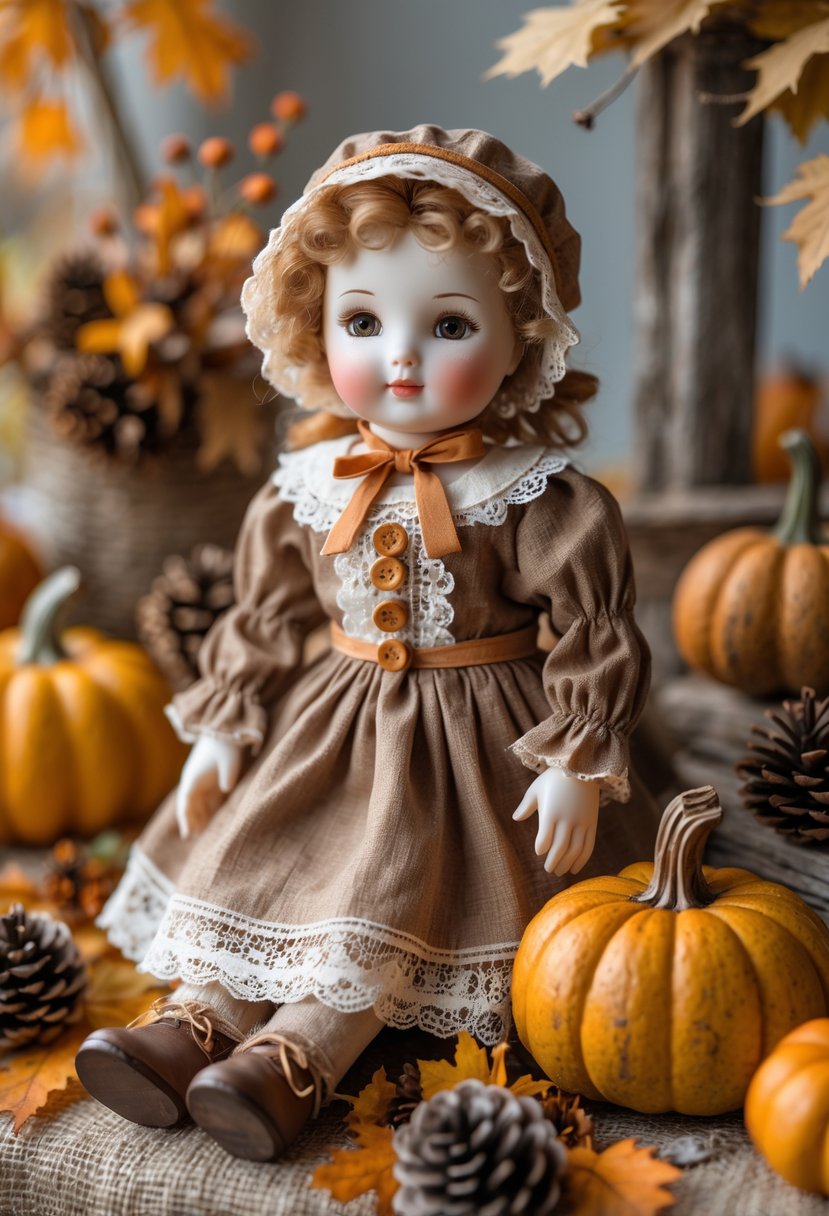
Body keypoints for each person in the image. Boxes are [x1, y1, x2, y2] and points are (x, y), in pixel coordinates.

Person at [76, 125, 659, 1161]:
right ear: (314, 328)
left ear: (519, 334)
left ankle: (296, 1058)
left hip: (478, 752)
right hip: (331, 726)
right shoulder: (310, 485)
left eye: (445, 324)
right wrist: (224, 729)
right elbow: (266, 621)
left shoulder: (530, 494)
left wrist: (576, 757)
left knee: (387, 903)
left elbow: (590, 629)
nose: (398, 356)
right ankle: (194, 1019)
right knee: (270, 866)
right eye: (361, 320)